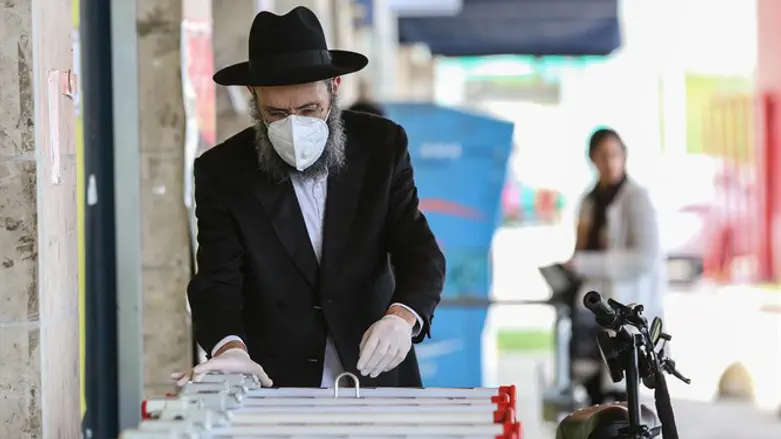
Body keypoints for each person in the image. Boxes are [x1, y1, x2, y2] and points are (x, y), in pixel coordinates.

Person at [171, 7, 445, 389]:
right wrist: (229, 348)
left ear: (334, 86)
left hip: (379, 376)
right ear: (253, 96)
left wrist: (401, 317)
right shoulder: (222, 171)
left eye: (308, 109)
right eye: (277, 113)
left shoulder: (382, 147)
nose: (294, 126)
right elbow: (217, 281)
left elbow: (419, 250)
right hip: (275, 382)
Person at [565, 128, 665, 405]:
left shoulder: (636, 198)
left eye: (615, 155)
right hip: (591, 310)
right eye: (602, 156)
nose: (610, 162)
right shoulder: (589, 200)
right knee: (592, 394)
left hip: (625, 307)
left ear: (624, 156)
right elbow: (582, 247)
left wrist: (586, 264)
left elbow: (643, 258)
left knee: (622, 398)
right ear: (592, 160)